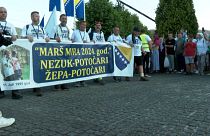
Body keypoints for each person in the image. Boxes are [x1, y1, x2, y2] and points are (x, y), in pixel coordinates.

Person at [21, 11, 50, 96]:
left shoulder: (42, 28)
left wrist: (47, 38)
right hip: (30, 52)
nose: (37, 18)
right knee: (33, 69)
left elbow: (46, 37)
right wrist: (27, 37)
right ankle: (35, 86)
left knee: (39, 69)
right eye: (35, 16)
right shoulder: (26, 27)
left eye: (38, 16)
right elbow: (21, 37)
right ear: (31, 17)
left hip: (41, 52)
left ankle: (38, 87)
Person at [0, 7, 22, 99]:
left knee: (11, 71)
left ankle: (15, 91)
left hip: (8, 49)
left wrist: (15, 36)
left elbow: (16, 36)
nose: (3, 13)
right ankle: (1, 91)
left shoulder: (11, 25)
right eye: (1, 12)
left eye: (5, 12)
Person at [53, 14, 71, 90]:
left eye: (65, 19)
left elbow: (68, 38)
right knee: (57, 67)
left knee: (65, 67)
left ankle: (64, 84)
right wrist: (55, 38)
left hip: (66, 50)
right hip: (58, 50)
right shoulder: (56, 27)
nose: (64, 20)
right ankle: (57, 84)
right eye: (63, 18)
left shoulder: (68, 28)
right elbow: (51, 37)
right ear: (60, 19)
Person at [71, 21, 90, 87]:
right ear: (80, 25)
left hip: (84, 53)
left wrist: (86, 42)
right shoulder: (75, 32)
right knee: (77, 66)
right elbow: (72, 40)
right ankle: (77, 81)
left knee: (83, 67)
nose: (84, 26)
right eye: (82, 25)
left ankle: (83, 81)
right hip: (76, 52)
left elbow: (89, 43)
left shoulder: (86, 33)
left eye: (85, 25)